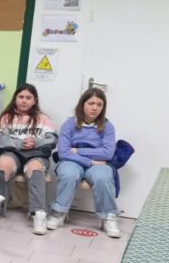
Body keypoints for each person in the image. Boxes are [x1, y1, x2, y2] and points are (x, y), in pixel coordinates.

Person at [46, 88, 120, 237]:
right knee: (69, 174)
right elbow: (64, 152)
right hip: (73, 161)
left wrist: (78, 151)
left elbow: (107, 153)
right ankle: (58, 213)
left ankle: (108, 217)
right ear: (82, 104)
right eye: (91, 103)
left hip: (99, 163)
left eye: (99, 104)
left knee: (103, 177)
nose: (95, 108)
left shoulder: (107, 126)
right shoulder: (69, 124)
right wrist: (90, 161)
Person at [0, 83, 57, 235]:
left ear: (35, 100)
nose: (24, 100)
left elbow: (52, 140)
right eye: (21, 97)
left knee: (35, 169)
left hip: (36, 155)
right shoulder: (6, 118)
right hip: (13, 153)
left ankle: (38, 214)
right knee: (3, 165)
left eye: (28, 97)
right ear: (15, 98)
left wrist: (36, 142)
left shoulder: (43, 119)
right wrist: (19, 143)